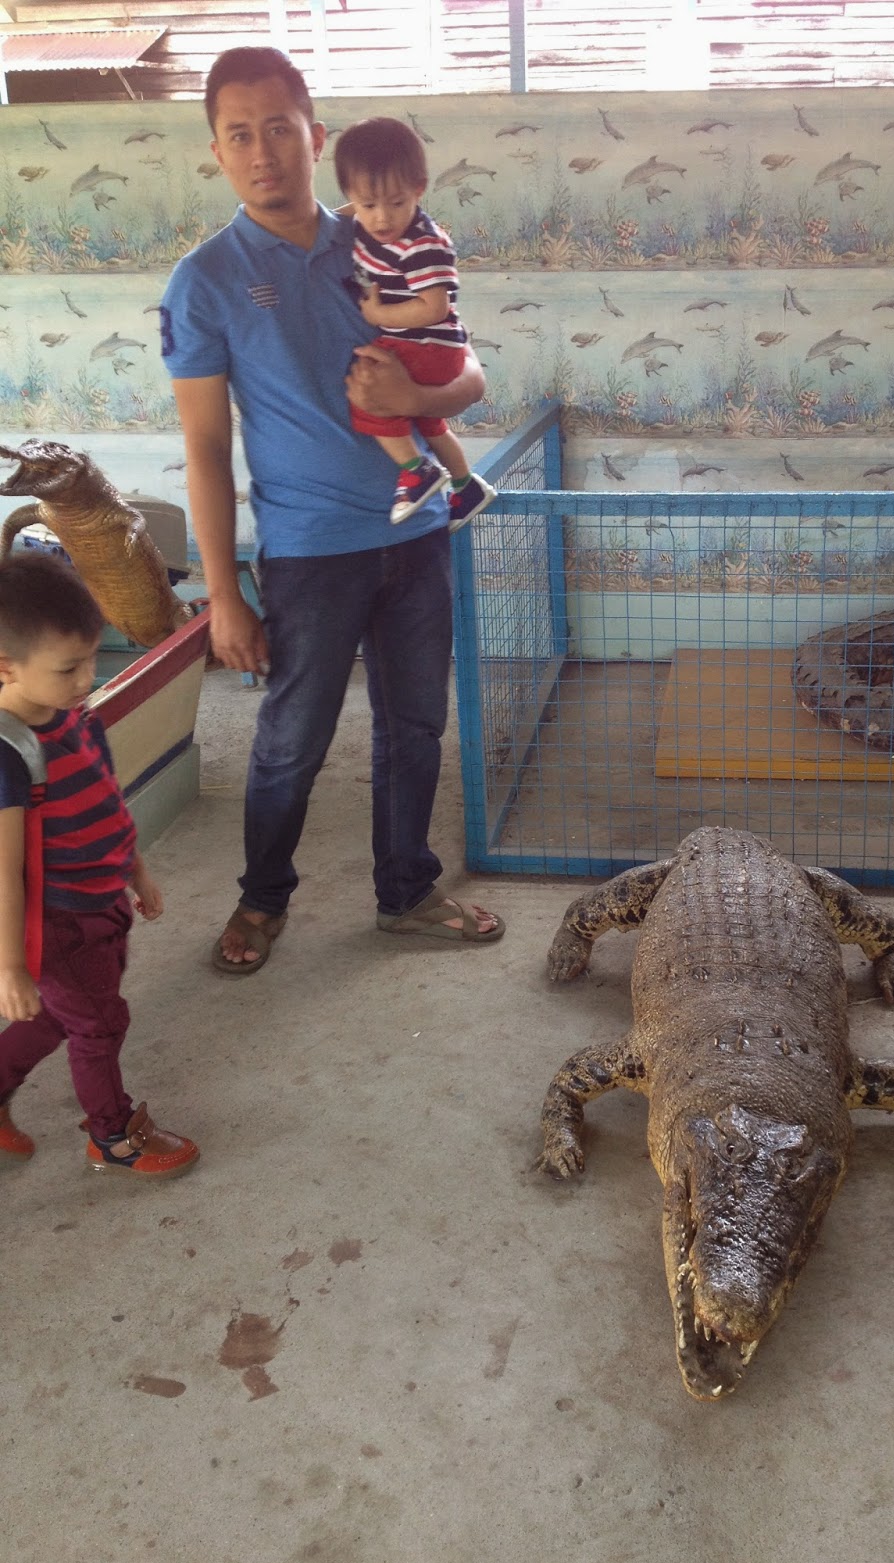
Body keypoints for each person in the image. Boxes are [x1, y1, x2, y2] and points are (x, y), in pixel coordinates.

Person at [160, 45, 503, 975]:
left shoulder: (384, 235)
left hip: (419, 527)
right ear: (218, 154)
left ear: (315, 137)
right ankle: (261, 899)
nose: (263, 149)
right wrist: (222, 590)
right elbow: (203, 445)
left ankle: (407, 892)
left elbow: (467, 370)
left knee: (416, 725)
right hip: (310, 548)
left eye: (280, 127)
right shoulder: (206, 280)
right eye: (240, 134)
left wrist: (420, 400)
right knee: (291, 740)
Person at [0, 553, 198, 1178]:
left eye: (91, 658)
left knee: (64, 1014)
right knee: (100, 1023)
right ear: (6, 666)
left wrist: (135, 871)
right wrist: (10, 966)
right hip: (58, 921)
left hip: (101, 898)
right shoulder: (9, 755)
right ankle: (113, 1136)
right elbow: (4, 871)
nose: (87, 677)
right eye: (68, 667)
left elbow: (109, 802)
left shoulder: (79, 718)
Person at [335, 116, 496, 530]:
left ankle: (416, 470)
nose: (383, 218)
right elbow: (345, 214)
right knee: (429, 422)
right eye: (369, 205)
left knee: (371, 398)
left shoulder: (422, 244)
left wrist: (378, 316)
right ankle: (466, 486)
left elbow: (434, 307)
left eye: (397, 202)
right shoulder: (364, 223)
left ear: (419, 190)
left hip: (428, 343)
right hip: (434, 346)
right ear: (352, 197)